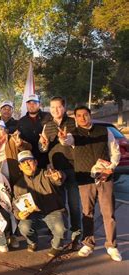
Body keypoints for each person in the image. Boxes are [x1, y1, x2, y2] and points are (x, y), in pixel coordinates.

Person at [59, 106, 122, 262]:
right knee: (87, 213)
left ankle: (112, 246)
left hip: (104, 177)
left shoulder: (103, 131)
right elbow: (67, 141)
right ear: (75, 118)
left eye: (85, 115)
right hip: (85, 179)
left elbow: (115, 151)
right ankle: (88, 243)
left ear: (89, 115)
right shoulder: (74, 134)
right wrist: (62, 138)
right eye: (79, 116)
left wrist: (111, 168)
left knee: (109, 214)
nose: (82, 118)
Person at [38, 96, 81, 249]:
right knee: (59, 205)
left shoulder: (72, 122)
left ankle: (77, 237)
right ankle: (60, 233)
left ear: (64, 108)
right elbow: (42, 148)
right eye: (52, 107)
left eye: (58, 107)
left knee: (75, 204)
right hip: (55, 171)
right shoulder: (47, 125)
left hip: (72, 168)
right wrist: (43, 144)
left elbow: (74, 142)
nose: (55, 110)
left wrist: (65, 140)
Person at [14, 150, 66, 257]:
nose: (27, 165)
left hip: (53, 212)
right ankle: (32, 242)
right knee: (23, 227)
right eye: (23, 163)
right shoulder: (18, 185)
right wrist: (19, 215)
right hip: (34, 215)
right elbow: (16, 208)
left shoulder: (47, 174)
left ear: (36, 162)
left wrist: (59, 176)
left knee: (61, 228)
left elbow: (58, 179)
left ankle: (57, 246)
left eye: (29, 161)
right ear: (20, 167)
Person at [0, 120, 32, 188]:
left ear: (5, 130)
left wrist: (20, 144)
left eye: (0, 129)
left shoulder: (12, 138)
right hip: (1, 179)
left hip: (16, 176)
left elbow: (29, 148)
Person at [17, 95, 51, 169]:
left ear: (39, 104)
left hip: (48, 158)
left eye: (34, 103)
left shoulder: (48, 117)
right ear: (26, 105)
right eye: (29, 103)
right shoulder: (21, 121)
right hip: (30, 160)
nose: (32, 105)